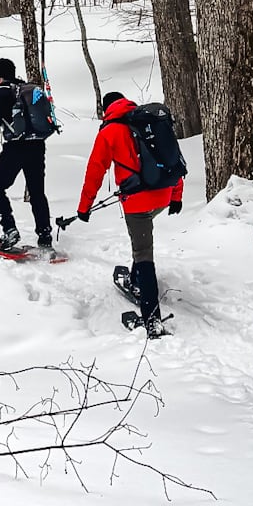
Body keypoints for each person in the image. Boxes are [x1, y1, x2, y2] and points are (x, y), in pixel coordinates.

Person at [76, 91, 184, 338]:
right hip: (164, 195)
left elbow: (95, 171)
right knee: (141, 240)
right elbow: (171, 157)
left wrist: (84, 207)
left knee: (143, 253)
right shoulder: (148, 122)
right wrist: (176, 195)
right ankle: (135, 280)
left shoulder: (109, 132)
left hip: (137, 204)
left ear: (106, 109)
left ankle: (152, 321)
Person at [0, 58, 52, 252]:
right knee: (37, 192)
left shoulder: (2, 92)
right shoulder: (26, 89)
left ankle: (10, 229)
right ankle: (45, 236)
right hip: (37, 146)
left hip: (15, 148)